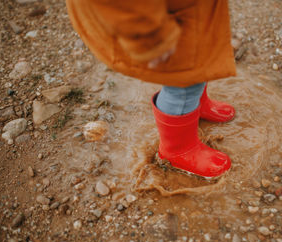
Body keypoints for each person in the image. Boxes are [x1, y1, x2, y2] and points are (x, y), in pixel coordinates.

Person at [66, 0, 237, 179]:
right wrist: (151, 38)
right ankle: (178, 151)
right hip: (145, 23)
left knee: (197, 64)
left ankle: (197, 105)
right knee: (182, 82)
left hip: (186, 12)